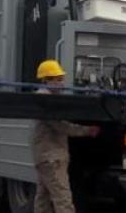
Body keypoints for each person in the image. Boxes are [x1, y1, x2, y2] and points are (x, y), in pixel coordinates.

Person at [32, 59, 98, 213]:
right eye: (57, 80)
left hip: (45, 157)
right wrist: (87, 130)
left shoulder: (44, 97)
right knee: (63, 199)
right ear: (46, 80)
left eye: (61, 79)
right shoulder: (45, 100)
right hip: (52, 158)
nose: (61, 83)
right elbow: (61, 125)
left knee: (42, 200)